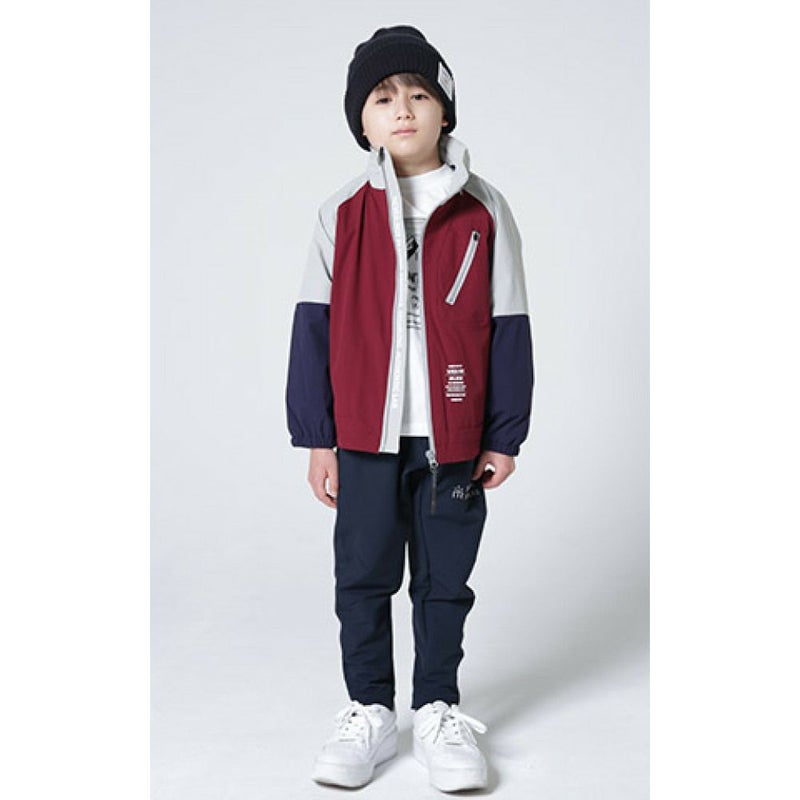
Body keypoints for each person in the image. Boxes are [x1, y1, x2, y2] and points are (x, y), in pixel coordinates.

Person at [285, 24, 534, 792]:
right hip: (365, 435)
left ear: (444, 111)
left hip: (453, 437)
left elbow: (510, 323)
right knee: (362, 576)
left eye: (419, 94)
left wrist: (504, 433)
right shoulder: (341, 213)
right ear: (362, 122)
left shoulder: (484, 211)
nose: (402, 109)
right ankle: (369, 709)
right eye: (383, 98)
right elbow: (312, 327)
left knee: (444, 580)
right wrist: (318, 436)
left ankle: (436, 709)